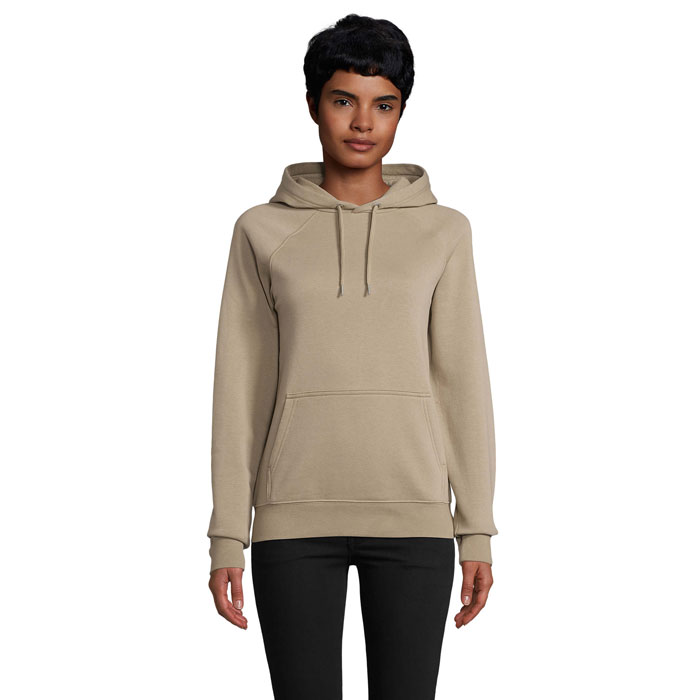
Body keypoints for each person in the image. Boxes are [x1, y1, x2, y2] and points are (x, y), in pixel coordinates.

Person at [207, 13, 498, 699]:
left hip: (415, 518)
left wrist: (476, 530)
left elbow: (462, 384)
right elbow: (241, 386)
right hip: (291, 519)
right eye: (344, 100)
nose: (363, 122)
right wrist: (227, 534)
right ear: (313, 104)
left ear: (401, 111)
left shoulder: (443, 231)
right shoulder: (261, 230)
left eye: (383, 104)